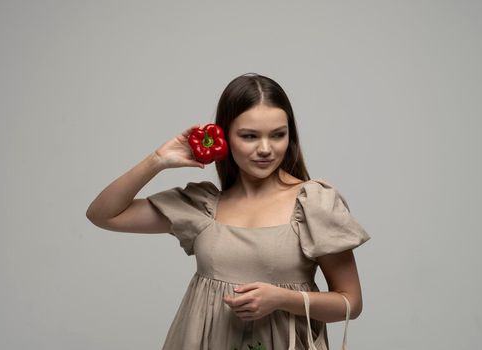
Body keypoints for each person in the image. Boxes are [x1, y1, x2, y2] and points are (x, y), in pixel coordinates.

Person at [86, 73, 371, 350]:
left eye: (278, 135)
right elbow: (103, 214)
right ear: (224, 136)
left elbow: (350, 303)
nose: (265, 148)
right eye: (249, 136)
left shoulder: (313, 203)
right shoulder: (201, 206)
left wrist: (282, 299)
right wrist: (157, 160)